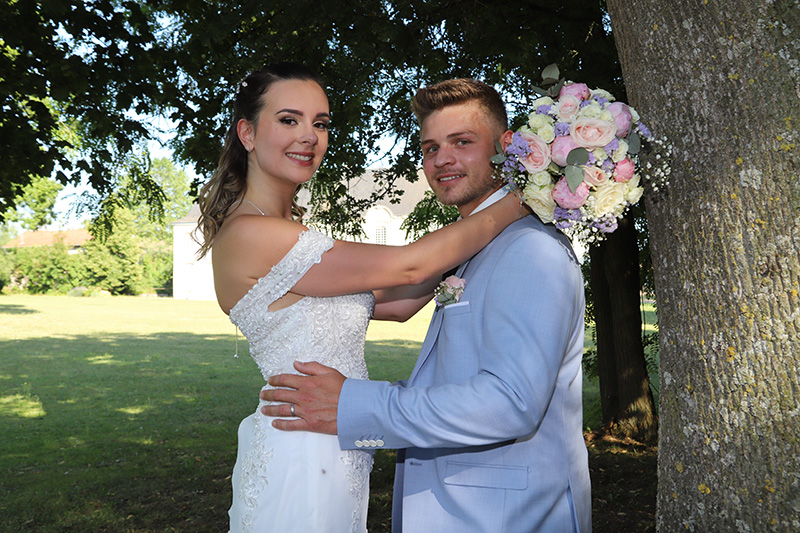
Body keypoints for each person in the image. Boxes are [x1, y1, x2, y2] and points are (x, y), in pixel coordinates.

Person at [195, 64, 523, 533]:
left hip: (337, 451)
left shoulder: (290, 235)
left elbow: (398, 300)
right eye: (289, 120)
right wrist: (527, 196)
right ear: (247, 132)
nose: (308, 136)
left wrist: (462, 264)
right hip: (300, 455)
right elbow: (411, 265)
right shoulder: (251, 233)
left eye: (321, 123)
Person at [262, 78, 592, 532]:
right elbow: (402, 304)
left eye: (462, 142)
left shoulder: (529, 251)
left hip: (504, 519)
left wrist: (357, 404)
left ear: (507, 146)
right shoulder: (476, 245)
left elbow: (510, 403)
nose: (442, 160)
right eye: (430, 147)